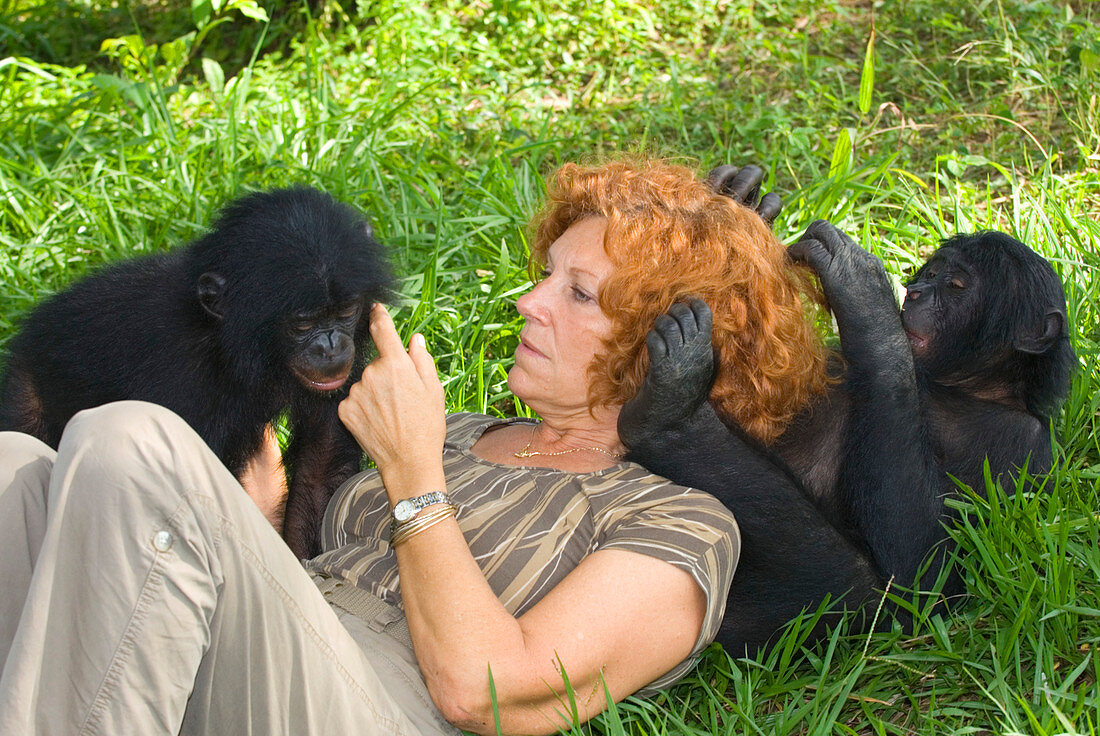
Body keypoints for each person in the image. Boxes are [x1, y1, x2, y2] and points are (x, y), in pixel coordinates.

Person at [0, 158, 826, 735]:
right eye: (544, 275)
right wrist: (236, 510)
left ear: (660, 341)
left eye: (574, 293)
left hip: (383, 708)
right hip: (255, 645)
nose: (527, 303)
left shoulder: (681, 521)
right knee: (17, 468)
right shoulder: (460, 432)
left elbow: (487, 694)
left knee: (131, 440)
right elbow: (279, 552)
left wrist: (413, 472)